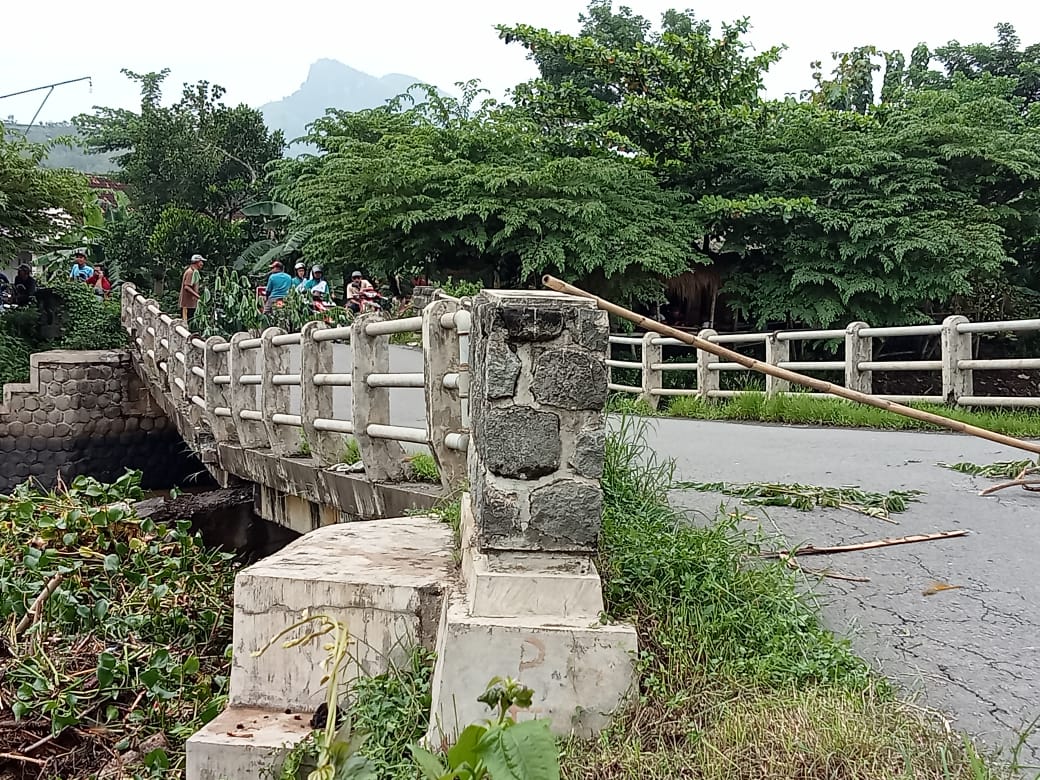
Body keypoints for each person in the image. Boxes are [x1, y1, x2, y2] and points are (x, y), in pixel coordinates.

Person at [179, 254, 205, 322]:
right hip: (187, 305)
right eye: (201, 261)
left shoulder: (195, 272)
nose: (202, 263)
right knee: (186, 323)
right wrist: (198, 297)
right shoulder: (190, 272)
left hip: (192, 304)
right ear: (197, 262)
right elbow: (187, 287)